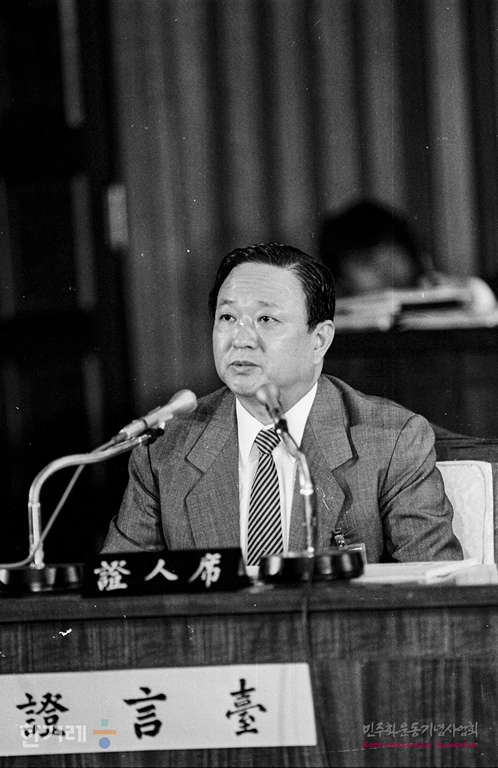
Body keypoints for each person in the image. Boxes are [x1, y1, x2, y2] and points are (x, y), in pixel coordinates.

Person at [103, 242, 462, 564]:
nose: (241, 339)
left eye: (266, 319)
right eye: (227, 317)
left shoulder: (391, 441)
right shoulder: (164, 450)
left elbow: (434, 588)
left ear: (319, 340)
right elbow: (117, 588)